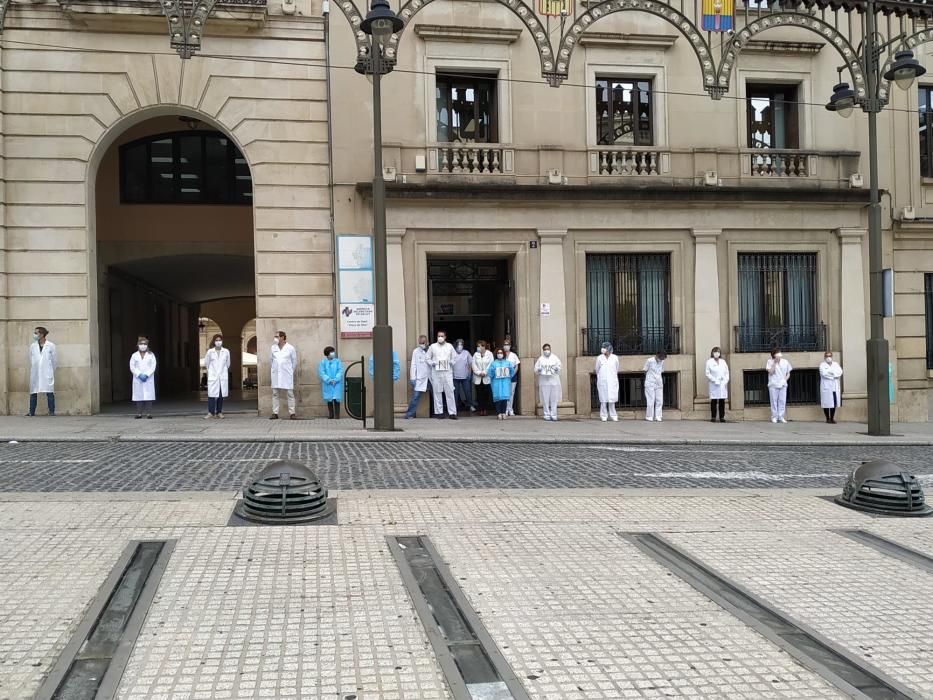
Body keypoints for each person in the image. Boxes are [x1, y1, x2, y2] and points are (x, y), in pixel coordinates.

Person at [426, 330, 458, 420]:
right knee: (437, 392)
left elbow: (454, 357)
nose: (440, 337)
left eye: (442, 336)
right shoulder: (432, 346)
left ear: (445, 337)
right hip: (436, 372)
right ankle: (439, 412)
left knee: (450, 392)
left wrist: (451, 363)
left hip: (447, 372)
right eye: (438, 336)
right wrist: (432, 363)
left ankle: (452, 413)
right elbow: (427, 358)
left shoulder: (450, 346)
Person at [27, 326, 57, 416]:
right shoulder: (33, 346)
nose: (35, 335)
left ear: (42, 334)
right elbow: (31, 358)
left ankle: (52, 412)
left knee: (49, 392)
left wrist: (50, 370)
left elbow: (55, 360)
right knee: (33, 392)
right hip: (36, 372)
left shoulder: (51, 346)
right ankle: (31, 412)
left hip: (46, 372)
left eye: (36, 333)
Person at [270, 330, 298, 420]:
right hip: (276, 374)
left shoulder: (290, 348)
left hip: (287, 374)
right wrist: (275, 369)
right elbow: (271, 360)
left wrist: (290, 371)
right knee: (275, 394)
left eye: (277, 336)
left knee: (290, 394)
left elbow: (294, 362)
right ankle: (275, 413)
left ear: (282, 337)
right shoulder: (273, 347)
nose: (275, 338)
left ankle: (292, 413)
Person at [129, 336, 157, 419]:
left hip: (148, 378)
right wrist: (139, 374)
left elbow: (153, 366)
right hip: (138, 378)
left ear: (147, 345)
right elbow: (132, 367)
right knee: (139, 396)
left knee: (148, 396)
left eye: (145, 344)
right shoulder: (134, 355)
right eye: (141, 344)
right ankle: (139, 414)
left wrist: (147, 375)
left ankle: (149, 414)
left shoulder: (151, 355)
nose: (143, 345)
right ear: (138, 345)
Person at [204, 333, 230, 419]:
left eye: (220, 340)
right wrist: (212, 372)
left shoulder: (226, 351)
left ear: (222, 341)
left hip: (222, 376)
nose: (218, 342)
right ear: (214, 341)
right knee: (211, 395)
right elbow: (207, 363)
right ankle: (210, 412)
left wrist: (222, 372)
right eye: (216, 340)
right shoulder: (210, 352)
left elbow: (228, 364)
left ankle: (219, 412)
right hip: (213, 376)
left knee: (220, 395)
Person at [534, 343, 562, 421]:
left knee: (554, 398)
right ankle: (546, 414)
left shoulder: (555, 358)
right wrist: (538, 370)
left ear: (550, 349)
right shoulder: (540, 359)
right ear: (543, 350)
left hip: (554, 381)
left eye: (548, 349)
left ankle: (553, 414)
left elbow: (560, 366)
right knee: (545, 398)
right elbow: (535, 369)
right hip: (544, 381)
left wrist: (557, 368)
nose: (547, 351)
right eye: (545, 349)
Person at [405, 336, 431, 419]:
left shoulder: (432, 350)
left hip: (432, 377)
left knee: (438, 394)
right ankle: (409, 414)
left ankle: (439, 413)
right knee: (415, 396)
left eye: (423, 343)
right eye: (420, 343)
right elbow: (413, 365)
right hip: (420, 378)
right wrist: (413, 378)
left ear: (427, 342)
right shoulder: (416, 351)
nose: (421, 345)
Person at [595, 342, 619, 422]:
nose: (603, 349)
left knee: (612, 400)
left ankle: (613, 415)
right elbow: (597, 369)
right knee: (603, 400)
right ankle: (603, 415)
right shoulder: (599, 358)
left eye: (605, 347)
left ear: (609, 349)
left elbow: (616, 368)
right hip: (603, 381)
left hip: (612, 381)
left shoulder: (615, 358)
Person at [766, 348, 793, 424]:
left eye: (779, 352)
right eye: (777, 353)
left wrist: (785, 380)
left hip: (783, 384)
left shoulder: (785, 362)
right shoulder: (769, 361)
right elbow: (770, 372)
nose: (779, 354)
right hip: (773, 384)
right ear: (773, 354)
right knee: (774, 401)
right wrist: (774, 363)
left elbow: (788, 373)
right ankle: (774, 417)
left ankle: (781, 416)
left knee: (782, 401)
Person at [490, 347, 516, 420]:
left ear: (503, 354)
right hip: (496, 383)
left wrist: (509, 376)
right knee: (498, 398)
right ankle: (498, 413)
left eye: (501, 353)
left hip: (505, 383)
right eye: (498, 353)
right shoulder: (493, 363)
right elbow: (490, 374)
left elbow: (512, 371)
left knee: (504, 398)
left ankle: (504, 413)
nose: (500, 354)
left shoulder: (507, 363)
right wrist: (493, 371)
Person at [705, 346, 730, 423]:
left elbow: (727, 372)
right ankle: (713, 417)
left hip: (722, 384)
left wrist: (725, 381)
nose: (717, 353)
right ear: (712, 353)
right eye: (715, 352)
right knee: (714, 400)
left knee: (722, 401)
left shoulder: (723, 361)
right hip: (714, 384)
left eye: (718, 352)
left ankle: (722, 417)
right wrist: (714, 380)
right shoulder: (709, 362)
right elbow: (707, 373)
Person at [319, 346, 343, 419]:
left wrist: (336, 379)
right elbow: (322, 372)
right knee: (329, 399)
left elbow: (340, 371)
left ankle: (337, 415)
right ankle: (331, 415)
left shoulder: (337, 361)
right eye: (331, 352)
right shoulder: (323, 362)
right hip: (328, 383)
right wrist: (329, 380)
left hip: (337, 383)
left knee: (336, 399)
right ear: (327, 354)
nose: (333, 353)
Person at [452, 339, 476, 414]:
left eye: (461, 344)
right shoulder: (452, 353)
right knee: (455, 393)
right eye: (459, 344)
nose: (460, 346)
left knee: (467, 391)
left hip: (465, 376)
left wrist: (469, 373)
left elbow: (470, 363)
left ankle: (471, 405)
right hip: (455, 377)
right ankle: (454, 407)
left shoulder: (466, 353)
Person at [819, 351, 843, 424]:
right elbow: (824, 374)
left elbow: (840, 372)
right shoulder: (822, 365)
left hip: (834, 386)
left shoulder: (836, 364)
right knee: (826, 402)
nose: (828, 357)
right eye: (827, 356)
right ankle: (827, 418)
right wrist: (833, 374)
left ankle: (832, 418)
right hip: (826, 386)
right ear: (824, 357)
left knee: (834, 402)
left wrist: (831, 372)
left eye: (830, 356)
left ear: (832, 357)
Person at [472, 340, 494, 416]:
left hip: (486, 377)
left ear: (483, 346)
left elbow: (491, 364)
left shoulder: (489, 354)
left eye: (479, 346)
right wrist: (478, 372)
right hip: (478, 377)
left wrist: (485, 372)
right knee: (479, 394)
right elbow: (473, 365)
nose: (478, 348)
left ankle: (485, 409)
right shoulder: (475, 354)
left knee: (486, 394)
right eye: (477, 346)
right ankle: (480, 409)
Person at [643, 351, 666, 422]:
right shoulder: (649, 361)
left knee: (660, 401)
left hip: (658, 383)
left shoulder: (662, 361)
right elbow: (645, 370)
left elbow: (662, 370)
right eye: (660, 358)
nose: (661, 359)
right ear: (657, 355)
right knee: (651, 400)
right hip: (650, 383)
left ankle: (658, 416)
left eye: (663, 358)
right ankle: (649, 416)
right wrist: (650, 377)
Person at [504, 336, 520, 416]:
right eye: (505, 344)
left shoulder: (514, 355)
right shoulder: (501, 354)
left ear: (510, 346)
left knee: (511, 393)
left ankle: (510, 409)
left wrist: (513, 373)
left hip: (512, 376)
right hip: (503, 377)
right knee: (505, 393)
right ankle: (505, 409)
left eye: (508, 344)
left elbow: (517, 365)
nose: (506, 346)